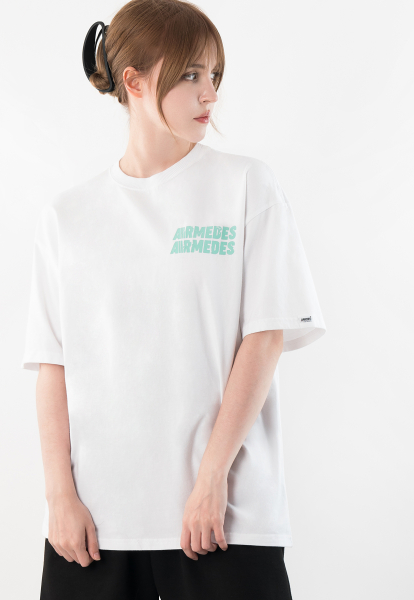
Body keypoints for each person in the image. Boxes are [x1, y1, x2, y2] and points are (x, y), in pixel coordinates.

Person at [21, 1, 326, 598]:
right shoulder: (69, 216)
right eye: (190, 74)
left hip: (224, 519)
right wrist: (59, 497)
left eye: (214, 74)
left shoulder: (246, 185)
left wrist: (212, 480)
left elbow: (264, 337)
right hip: (94, 527)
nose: (209, 93)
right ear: (133, 82)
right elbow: (52, 365)